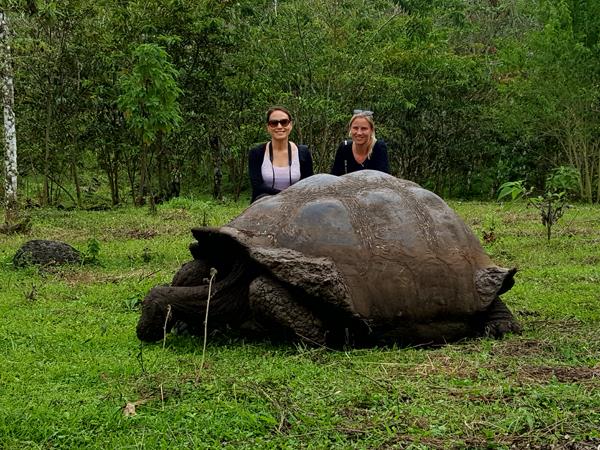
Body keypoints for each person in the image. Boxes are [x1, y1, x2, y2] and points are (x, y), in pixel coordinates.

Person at [248, 106, 313, 203]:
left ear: (290, 125)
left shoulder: (303, 152)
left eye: (284, 122)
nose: (279, 126)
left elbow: (308, 184)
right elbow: (258, 187)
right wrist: (285, 197)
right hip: (264, 204)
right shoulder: (256, 153)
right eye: (274, 123)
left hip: (297, 203)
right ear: (268, 127)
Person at [330, 110, 390, 175]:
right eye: (355, 128)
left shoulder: (379, 147)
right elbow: (335, 178)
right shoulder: (344, 147)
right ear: (350, 129)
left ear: (371, 130)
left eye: (364, 128)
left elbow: (383, 179)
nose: (359, 133)